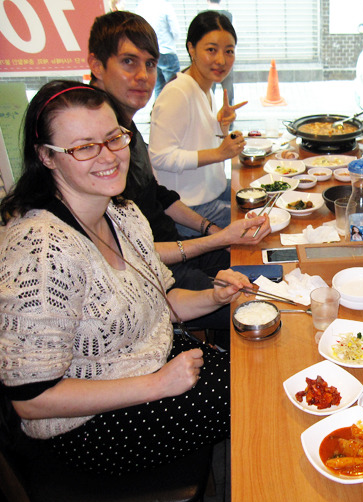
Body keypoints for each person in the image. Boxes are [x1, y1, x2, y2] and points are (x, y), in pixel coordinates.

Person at [0, 80, 250, 474]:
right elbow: (31, 399)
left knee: (260, 369)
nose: (109, 156)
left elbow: (160, 301)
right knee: (257, 397)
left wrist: (214, 298)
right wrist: (157, 385)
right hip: (86, 428)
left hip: (154, 369)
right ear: (47, 157)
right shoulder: (41, 250)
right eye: (84, 147)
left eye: (114, 137)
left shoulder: (123, 214)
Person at [87, 11, 269, 348]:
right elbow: (130, 253)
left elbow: (158, 194)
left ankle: (222, 349)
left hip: (172, 248)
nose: (143, 76)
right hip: (157, 273)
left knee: (263, 266)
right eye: (129, 62)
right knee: (255, 303)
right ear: (97, 66)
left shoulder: (125, 131)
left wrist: (211, 231)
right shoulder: (99, 145)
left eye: (150, 64)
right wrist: (214, 237)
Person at [149, 11, 246, 236]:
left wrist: (222, 126)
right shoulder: (178, 92)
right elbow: (161, 156)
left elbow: (196, 140)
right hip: (189, 208)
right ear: (191, 48)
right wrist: (219, 153)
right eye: (211, 50)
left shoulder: (204, 87)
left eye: (229, 51)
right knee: (259, 223)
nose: (221, 60)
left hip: (211, 192)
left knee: (260, 196)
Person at [135, 0, 181, 99]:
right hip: (167, 51)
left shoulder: (141, 6)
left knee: (158, 88)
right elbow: (176, 32)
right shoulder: (166, 6)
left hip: (149, 53)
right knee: (176, 88)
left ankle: (158, 112)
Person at [206, 0, 234, 105]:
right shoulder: (229, 16)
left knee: (208, 91)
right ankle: (229, 117)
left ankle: (208, 115)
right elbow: (234, 41)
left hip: (208, 61)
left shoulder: (201, 17)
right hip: (227, 58)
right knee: (228, 90)